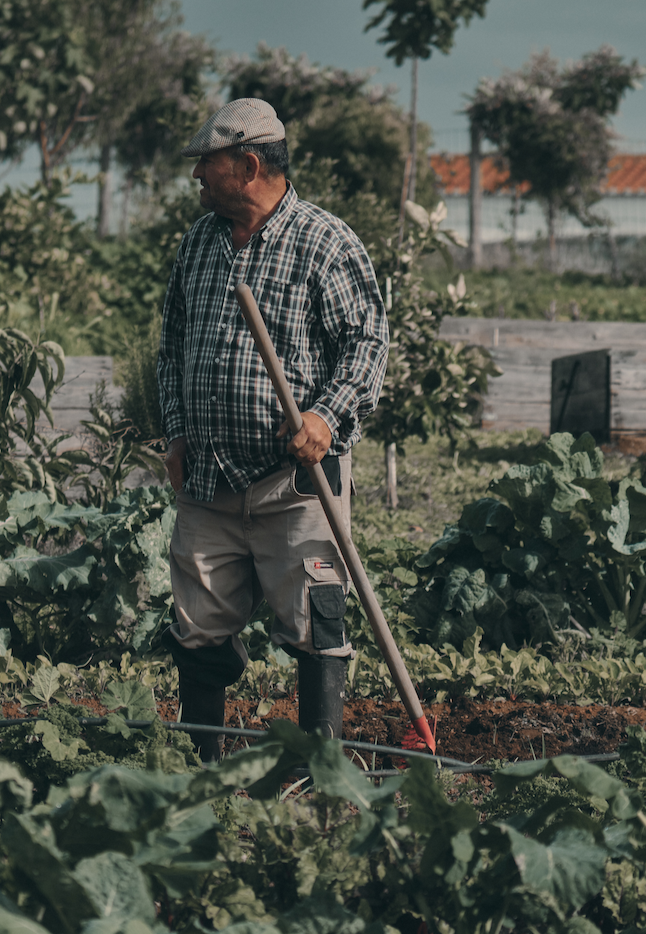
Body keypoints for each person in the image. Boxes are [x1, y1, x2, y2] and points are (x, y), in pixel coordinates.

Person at [157, 98, 389, 761]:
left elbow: (366, 345)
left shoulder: (326, 242)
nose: (197, 177)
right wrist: (175, 434)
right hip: (207, 481)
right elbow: (171, 347)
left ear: (249, 163)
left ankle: (320, 778)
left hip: (295, 483)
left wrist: (325, 416)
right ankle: (206, 768)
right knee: (198, 627)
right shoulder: (199, 243)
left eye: (206, 163)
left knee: (318, 624)